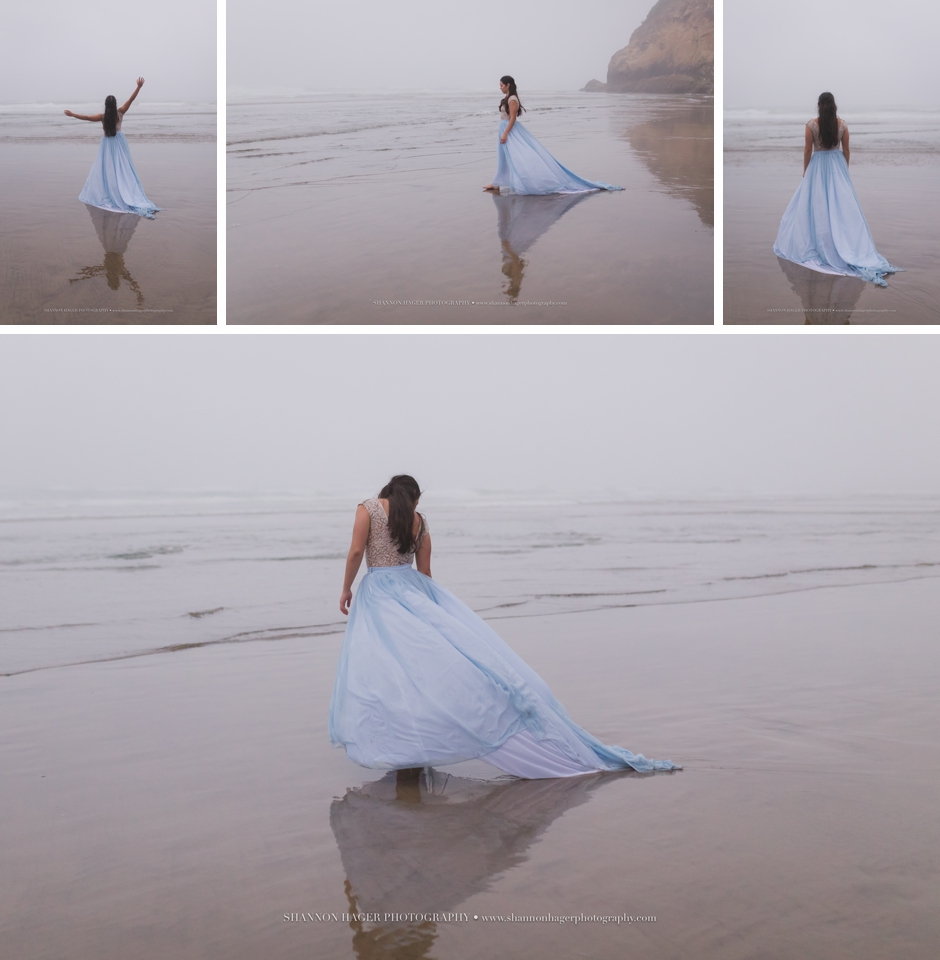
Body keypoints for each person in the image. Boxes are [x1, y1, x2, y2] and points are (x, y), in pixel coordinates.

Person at [330, 475, 679, 779]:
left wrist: (347, 588)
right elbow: (426, 575)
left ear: (388, 492)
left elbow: (356, 552)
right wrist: (438, 616)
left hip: (378, 595)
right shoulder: (419, 523)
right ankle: (420, 741)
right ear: (414, 499)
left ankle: (405, 744)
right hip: (412, 594)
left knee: (387, 672)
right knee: (427, 669)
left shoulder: (368, 508)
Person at [773, 92, 898, 286]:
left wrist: (806, 170)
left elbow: (807, 150)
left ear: (818, 105)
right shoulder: (843, 125)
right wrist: (844, 170)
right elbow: (846, 149)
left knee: (817, 207)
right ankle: (844, 243)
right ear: (833, 105)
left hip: (818, 167)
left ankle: (821, 243)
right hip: (837, 166)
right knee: (841, 208)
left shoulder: (811, 125)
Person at [482, 76, 624, 195]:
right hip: (504, 129)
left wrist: (506, 133)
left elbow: (513, 118)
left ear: (508, 85)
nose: (500, 87)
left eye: (501, 85)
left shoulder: (512, 99)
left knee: (519, 156)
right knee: (504, 157)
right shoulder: (508, 98)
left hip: (509, 130)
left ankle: (529, 181)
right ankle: (498, 183)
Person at [64, 78, 160, 219]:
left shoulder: (102, 117)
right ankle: (124, 190)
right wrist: (138, 87)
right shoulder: (120, 113)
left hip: (107, 144)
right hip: (120, 142)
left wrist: (73, 115)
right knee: (122, 168)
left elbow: (86, 117)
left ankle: (111, 190)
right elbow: (131, 100)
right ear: (115, 104)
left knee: (108, 169)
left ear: (105, 105)